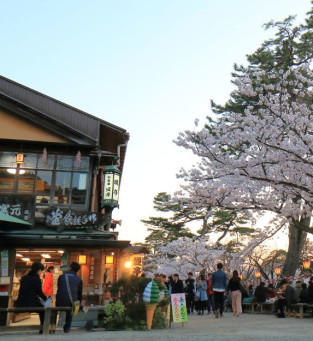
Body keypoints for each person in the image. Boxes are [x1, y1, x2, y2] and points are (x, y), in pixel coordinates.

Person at [16, 262, 47, 333]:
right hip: (31, 302)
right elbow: (39, 293)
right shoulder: (37, 279)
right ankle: (42, 329)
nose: (41, 273)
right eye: (41, 271)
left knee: (41, 307)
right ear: (38, 270)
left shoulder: (24, 278)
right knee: (43, 310)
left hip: (20, 302)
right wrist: (46, 299)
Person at [56, 262, 83, 333]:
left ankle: (53, 325)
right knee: (72, 306)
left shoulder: (61, 277)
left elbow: (59, 288)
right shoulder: (79, 279)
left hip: (59, 302)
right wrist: (79, 303)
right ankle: (67, 328)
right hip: (71, 303)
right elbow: (79, 294)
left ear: (70, 268)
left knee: (64, 302)